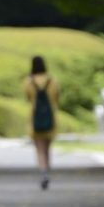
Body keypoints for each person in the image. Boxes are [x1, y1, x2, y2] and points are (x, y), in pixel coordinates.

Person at [23, 55, 60, 190]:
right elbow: (57, 98)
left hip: (35, 118)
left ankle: (43, 172)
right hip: (51, 118)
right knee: (47, 148)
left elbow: (28, 98)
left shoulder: (29, 82)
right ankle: (47, 171)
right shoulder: (53, 81)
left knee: (39, 149)